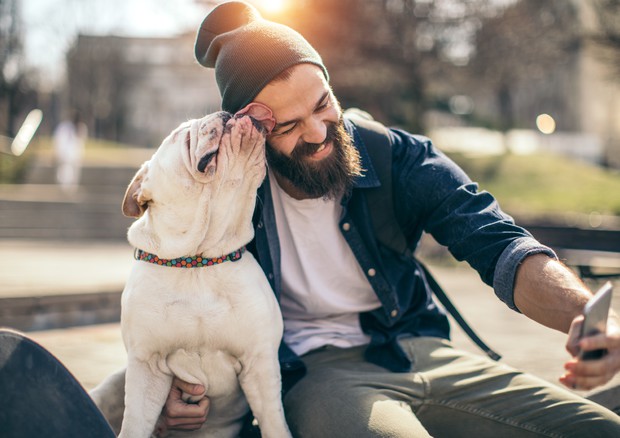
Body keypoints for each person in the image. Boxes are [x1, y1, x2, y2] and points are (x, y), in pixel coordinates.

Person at [2, 2, 619, 437]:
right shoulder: (226, 194)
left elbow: (497, 242)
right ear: (250, 130)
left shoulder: (393, 155)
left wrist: (584, 318)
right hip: (314, 376)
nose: (320, 133)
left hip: (421, 349)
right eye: (288, 126)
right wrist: (178, 401)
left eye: (323, 106)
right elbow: (172, 309)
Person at [53, 109, 87, 193]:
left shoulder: (81, 127)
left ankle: (71, 189)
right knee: (65, 172)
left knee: (74, 174)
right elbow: (59, 140)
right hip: (65, 154)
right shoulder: (64, 127)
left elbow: (81, 141)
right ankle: (64, 189)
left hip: (75, 155)